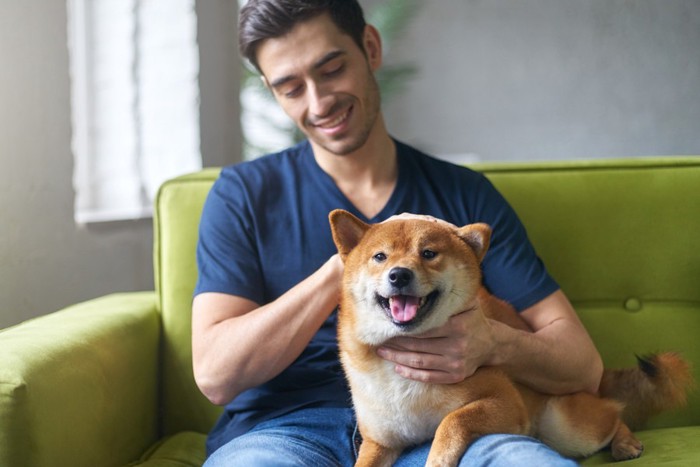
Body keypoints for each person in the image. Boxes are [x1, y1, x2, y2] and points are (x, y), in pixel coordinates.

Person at [192, 1, 603, 465]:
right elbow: (215, 374)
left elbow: (584, 365)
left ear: (370, 47)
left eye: (331, 69)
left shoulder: (463, 195)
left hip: (445, 424)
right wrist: (348, 267)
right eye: (290, 88)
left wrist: (496, 342)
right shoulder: (241, 196)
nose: (319, 102)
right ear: (270, 90)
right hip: (284, 431)